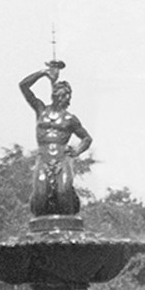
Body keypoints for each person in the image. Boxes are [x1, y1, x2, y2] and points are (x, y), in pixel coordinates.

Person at [19, 64, 93, 216]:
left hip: (62, 159)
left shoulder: (70, 119)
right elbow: (24, 86)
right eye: (61, 95)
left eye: (66, 96)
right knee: (40, 194)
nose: (64, 98)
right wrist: (44, 73)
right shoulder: (41, 110)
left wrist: (77, 150)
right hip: (43, 158)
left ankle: (70, 227)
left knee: (63, 191)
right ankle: (41, 228)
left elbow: (86, 138)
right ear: (54, 94)